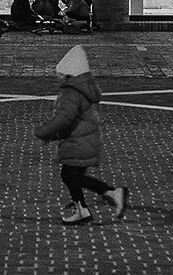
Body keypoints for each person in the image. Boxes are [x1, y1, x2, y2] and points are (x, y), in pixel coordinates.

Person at [35, 44, 129, 226]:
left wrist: (44, 132)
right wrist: (52, 136)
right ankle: (83, 208)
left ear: (68, 74)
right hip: (83, 140)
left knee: (72, 176)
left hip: (78, 142)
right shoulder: (82, 88)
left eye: (60, 74)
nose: (58, 78)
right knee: (70, 175)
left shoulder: (70, 93)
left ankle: (109, 194)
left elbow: (64, 118)